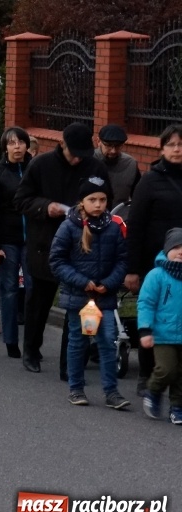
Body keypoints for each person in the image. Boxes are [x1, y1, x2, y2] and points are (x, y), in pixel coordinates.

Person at [14, 122, 110, 373]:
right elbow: (22, 200)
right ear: (62, 145)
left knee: (77, 305)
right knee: (39, 303)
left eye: (83, 154)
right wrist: (46, 207)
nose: (78, 159)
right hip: (45, 243)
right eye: (73, 153)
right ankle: (31, 351)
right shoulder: (41, 164)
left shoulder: (94, 166)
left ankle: (70, 363)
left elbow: (105, 199)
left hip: (83, 247)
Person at [49, 176, 129, 409]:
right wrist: (83, 282)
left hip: (104, 296)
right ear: (82, 201)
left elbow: (122, 261)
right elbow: (57, 261)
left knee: (107, 342)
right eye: (92, 199)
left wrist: (110, 282)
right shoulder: (69, 227)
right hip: (80, 297)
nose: (98, 204)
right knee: (78, 342)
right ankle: (76, 388)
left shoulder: (114, 228)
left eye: (103, 199)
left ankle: (111, 392)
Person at [125, 124, 182, 396]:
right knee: (153, 315)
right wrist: (133, 269)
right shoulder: (150, 181)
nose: (177, 149)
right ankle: (146, 372)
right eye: (171, 144)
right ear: (161, 148)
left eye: (181, 144)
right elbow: (135, 226)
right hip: (154, 264)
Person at [0, 126, 33, 356]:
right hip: (8, 240)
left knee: (34, 290)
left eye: (20, 142)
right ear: (5, 147)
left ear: (26, 145)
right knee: (10, 290)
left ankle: (33, 342)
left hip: (33, 240)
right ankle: (11, 341)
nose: (17, 147)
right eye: (12, 143)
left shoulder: (36, 169)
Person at [139, 228, 182, 423]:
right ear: (167, 249)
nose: (180, 251)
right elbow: (146, 303)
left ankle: (177, 406)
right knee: (167, 369)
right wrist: (145, 329)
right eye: (176, 247)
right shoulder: (157, 275)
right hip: (163, 332)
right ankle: (153, 391)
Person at [94, 124, 141, 207]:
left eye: (118, 146)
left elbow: (138, 196)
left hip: (119, 216)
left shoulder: (131, 164)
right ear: (98, 142)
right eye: (108, 145)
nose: (113, 151)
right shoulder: (88, 161)